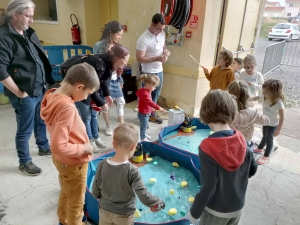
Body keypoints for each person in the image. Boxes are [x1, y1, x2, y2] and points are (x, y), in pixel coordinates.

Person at [0, 0, 55, 176]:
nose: (31, 20)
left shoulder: (28, 32)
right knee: (24, 129)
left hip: (39, 87)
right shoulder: (4, 37)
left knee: (41, 121)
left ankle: (43, 147)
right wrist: (18, 93)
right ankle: (24, 162)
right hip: (24, 93)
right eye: (28, 16)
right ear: (16, 15)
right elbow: (0, 69)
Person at [40, 63, 100, 225]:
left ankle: (63, 219)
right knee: (76, 203)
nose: (87, 97)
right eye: (88, 93)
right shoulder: (67, 107)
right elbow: (58, 146)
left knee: (67, 190)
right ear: (79, 86)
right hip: (74, 162)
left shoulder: (51, 93)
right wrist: (84, 148)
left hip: (62, 160)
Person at [187, 89, 258, 225]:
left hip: (216, 210)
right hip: (237, 206)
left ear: (205, 114)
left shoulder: (207, 147)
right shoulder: (241, 139)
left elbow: (208, 186)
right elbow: (252, 169)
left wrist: (194, 213)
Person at [92, 123, 164, 225]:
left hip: (104, 211)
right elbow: (143, 195)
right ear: (133, 147)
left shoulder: (102, 164)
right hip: (124, 215)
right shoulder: (132, 170)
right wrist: (157, 202)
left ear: (113, 144)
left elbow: (95, 191)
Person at [136, 13, 170, 124]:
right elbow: (140, 58)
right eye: (159, 28)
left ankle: (150, 113)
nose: (161, 31)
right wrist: (157, 58)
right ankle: (144, 114)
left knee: (157, 93)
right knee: (146, 96)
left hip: (159, 69)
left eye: (162, 29)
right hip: (148, 71)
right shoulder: (143, 39)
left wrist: (166, 52)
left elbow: (164, 46)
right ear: (152, 24)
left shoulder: (162, 34)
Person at [93, 21, 125, 136]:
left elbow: (120, 64)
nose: (120, 37)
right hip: (104, 80)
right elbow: (96, 65)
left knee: (121, 101)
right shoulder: (99, 46)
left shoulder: (117, 47)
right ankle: (108, 125)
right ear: (110, 33)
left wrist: (120, 79)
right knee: (105, 103)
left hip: (115, 78)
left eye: (121, 35)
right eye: (118, 34)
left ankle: (122, 124)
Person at [250, 79, 285, 165]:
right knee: (264, 136)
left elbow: (282, 117)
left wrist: (279, 129)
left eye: (266, 92)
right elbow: (254, 98)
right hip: (265, 121)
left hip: (273, 124)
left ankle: (266, 156)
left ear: (274, 92)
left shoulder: (278, 102)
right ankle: (260, 148)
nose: (263, 93)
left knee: (269, 139)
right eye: (263, 91)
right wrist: (244, 98)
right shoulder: (264, 96)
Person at [228, 80, 270, 150]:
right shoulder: (253, 112)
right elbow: (267, 121)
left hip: (230, 144)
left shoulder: (226, 112)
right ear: (247, 96)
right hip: (246, 145)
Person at [136, 74, 165, 141]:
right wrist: (159, 108)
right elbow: (150, 102)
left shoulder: (143, 90)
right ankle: (143, 139)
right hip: (144, 113)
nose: (155, 88)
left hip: (143, 111)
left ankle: (144, 134)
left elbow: (138, 94)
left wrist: (150, 108)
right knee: (143, 127)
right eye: (154, 87)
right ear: (148, 85)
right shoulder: (145, 93)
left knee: (145, 125)